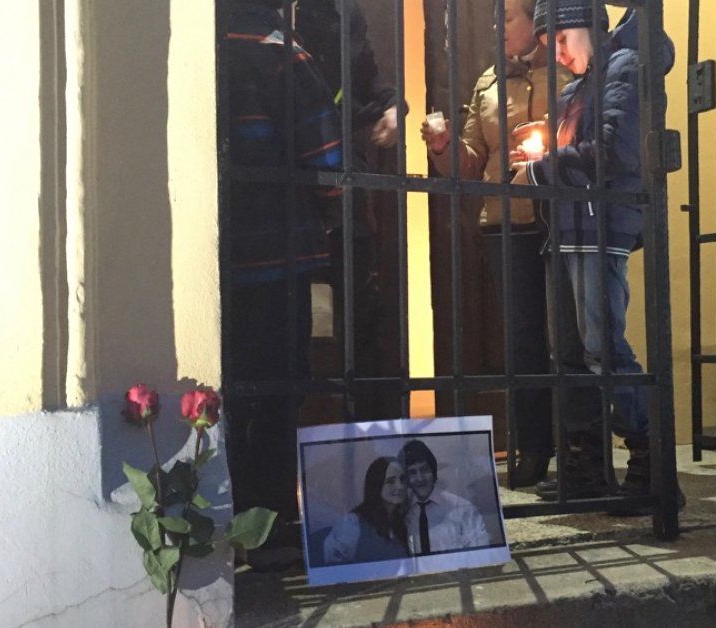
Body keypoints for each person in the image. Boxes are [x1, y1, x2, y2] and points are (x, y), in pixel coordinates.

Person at [511, 4, 677, 510]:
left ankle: (651, 459)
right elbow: (584, 149)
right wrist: (544, 159)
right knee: (570, 354)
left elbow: (612, 152)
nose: (558, 55)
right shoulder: (574, 90)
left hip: (599, 225)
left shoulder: (624, 67)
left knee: (602, 347)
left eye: (563, 40)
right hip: (568, 226)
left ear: (590, 25)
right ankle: (586, 465)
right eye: (550, 46)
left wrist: (540, 169)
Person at [419, 0, 572, 487]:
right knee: (523, 340)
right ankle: (533, 447)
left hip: (563, 221)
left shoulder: (568, 69)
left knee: (572, 337)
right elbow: (470, 164)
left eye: (507, 18)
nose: (498, 27)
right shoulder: (488, 82)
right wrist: (443, 147)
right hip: (506, 223)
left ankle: (582, 448)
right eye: (496, 19)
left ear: (533, 20)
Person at [220, 0, 343, 565]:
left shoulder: (212, 45)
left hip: (222, 255)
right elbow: (326, 158)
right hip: (279, 249)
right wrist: (333, 198)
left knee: (233, 391)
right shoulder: (277, 51)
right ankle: (269, 526)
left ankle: (231, 521)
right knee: (278, 388)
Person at [296, 0, 404, 420]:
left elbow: (368, 77)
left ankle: (363, 424)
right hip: (290, 176)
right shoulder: (281, 13)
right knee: (292, 307)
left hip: (344, 174)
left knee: (359, 304)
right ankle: (292, 425)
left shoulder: (345, 12)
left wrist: (393, 106)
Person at [399, 440, 491, 555]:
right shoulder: (403, 514)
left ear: (433, 471)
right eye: (412, 472)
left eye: (424, 470)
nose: (420, 478)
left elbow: (481, 551)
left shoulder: (461, 508)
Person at [323, 457, 411, 565]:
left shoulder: (403, 522)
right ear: (377, 484)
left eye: (402, 479)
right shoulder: (352, 523)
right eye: (391, 481)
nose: (400, 486)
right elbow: (334, 566)